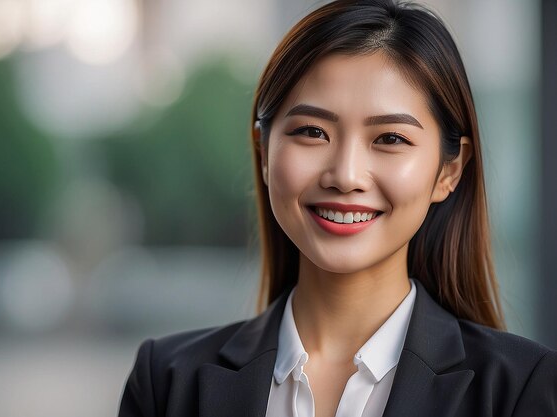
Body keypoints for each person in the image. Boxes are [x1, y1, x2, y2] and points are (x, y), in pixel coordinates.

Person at [118, 0, 557, 416]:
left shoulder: (519, 390)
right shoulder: (167, 384)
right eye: (311, 131)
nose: (345, 175)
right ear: (264, 153)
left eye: (390, 139)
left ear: (449, 171)